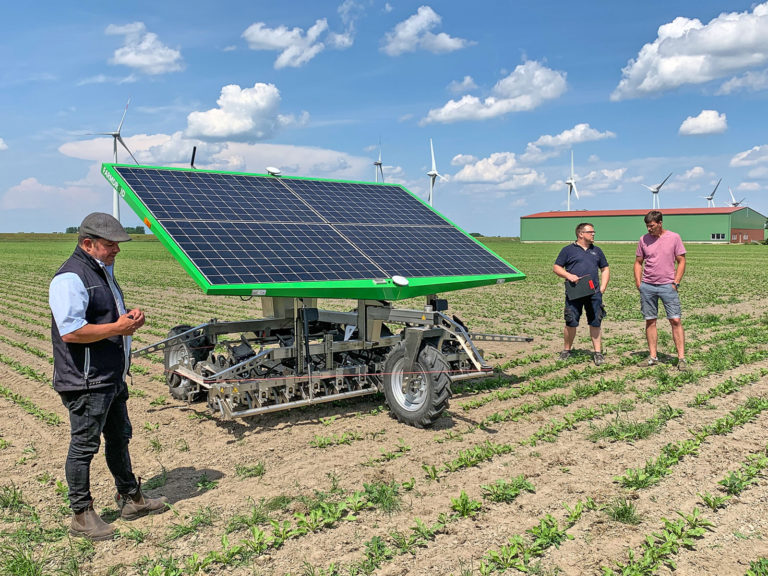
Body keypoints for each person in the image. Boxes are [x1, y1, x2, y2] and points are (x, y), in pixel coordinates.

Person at [49, 212, 168, 541]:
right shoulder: (70, 278)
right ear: (88, 244)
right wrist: (117, 327)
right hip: (86, 381)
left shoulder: (102, 271)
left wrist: (128, 318)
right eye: (110, 244)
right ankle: (81, 516)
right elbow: (72, 332)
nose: (117, 250)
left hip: (110, 377)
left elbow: (106, 318)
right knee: (83, 447)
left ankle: (131, 497)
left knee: (119, 438)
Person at [633, 210, 687, 370]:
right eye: (647, 226)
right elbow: (638, 262)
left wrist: (676, 282)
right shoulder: (643, 239)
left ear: (660, 223)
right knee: (650, 320)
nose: (649, 229)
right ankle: (652, 356)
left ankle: (682, 359)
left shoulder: (674, 237)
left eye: (652, 226)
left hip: (667, 286)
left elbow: (681, 261)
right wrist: (639, 283)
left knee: (675, 320)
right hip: (648, 286)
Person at [553, 222, 610, 366]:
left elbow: (605, 269)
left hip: (594, 293)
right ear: (581, 234)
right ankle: (566, 350)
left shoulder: (597, 251)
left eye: (593, 232)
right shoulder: (567, 250)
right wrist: (569, 275)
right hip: (575, 293)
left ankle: (598, 353)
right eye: (591, 232)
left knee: (595, 322)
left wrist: (602, 287)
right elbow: (556, 267)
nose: (593, 234)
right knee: (571, 321)